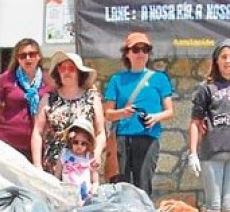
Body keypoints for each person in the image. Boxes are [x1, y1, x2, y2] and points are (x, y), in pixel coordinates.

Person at [103, 32, 174, 195]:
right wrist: (123, 112)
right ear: (127, 53)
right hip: (123, 138)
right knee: (122, 186)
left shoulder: (160, 79)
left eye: (145, 49)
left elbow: (169, 111)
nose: (141, 53)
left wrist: (155, 117)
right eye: (136, 49)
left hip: (148, 137)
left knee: (143, 183)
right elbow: (108, 113)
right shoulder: (117, 80)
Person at [188, 39, 230, 212]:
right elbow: (195, 121)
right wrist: (192, 153)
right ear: (216, 60)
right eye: (224, 57)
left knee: (229, 207)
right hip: (213, 152)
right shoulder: (206, 88)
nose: (228, 61)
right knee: (214, 206)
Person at [31, 51, 106, 177]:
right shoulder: (48, 98)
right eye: (62, 68)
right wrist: (37, 165)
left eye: (71, 68)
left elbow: (100, 132)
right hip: (53, 166)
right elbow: (37, 132)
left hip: (82, 167)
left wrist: (97, 155)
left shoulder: (92, 98)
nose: (66, 72)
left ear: (79, 73)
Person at [0, 39, 53, 161]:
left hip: (38, 145)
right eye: (23, 55)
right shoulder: (6, 78)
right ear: (17, 58)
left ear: (38, 56)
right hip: (8, 143)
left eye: (31, 54)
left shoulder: (49, 81)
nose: (28, 59)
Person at [57, 118, 99, 201]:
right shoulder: (64, 154)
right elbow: (56, 176)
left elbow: (95, 181)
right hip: (67, 195)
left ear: (88, 144)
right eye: (76, 142)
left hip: (84, 196)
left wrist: (94, 190)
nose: (79, 146)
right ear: (70, 141)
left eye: (83, 143)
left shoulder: (89, 157)